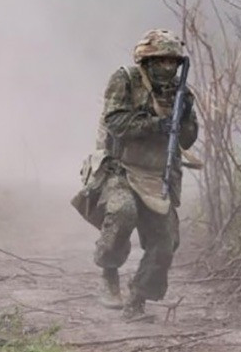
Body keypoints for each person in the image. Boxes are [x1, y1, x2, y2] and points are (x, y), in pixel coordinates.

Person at [71, 29, 198, 321]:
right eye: (160, 61)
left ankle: (137, 301)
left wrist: (184, 116)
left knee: (165, 242)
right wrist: (155, 124)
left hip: (157, 175)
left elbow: (187, 140)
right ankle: (109, 271)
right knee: (123, 212)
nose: (167, 68)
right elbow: (115, 121)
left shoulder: (181, 93)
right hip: (120, 168)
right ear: (146, 61)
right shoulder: (126, 80)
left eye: (172, 62)